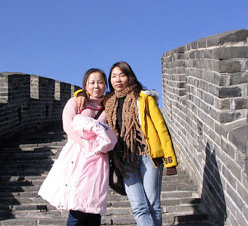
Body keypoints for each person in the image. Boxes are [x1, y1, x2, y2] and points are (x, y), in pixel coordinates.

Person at [74, 61, 178, 226]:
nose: (118, 79)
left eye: (122, 75)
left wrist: (170, 159)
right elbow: (92, 93)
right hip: (125, 160)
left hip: (148, 157)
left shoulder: (144, 98)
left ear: (130, 77)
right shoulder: (109, 100)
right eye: (114, 76)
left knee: (153, 206)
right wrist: (80, 94)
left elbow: (161, 128)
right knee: (139, 207)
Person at [38, 68, 117, 226]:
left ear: (106, 85)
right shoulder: (75, 102)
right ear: (85, 85)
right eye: (92, 82)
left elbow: (112, 133)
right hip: (77, 157)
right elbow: (68, 127)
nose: (96, 86)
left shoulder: (110, 106)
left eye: (101, 82)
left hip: (98, 160)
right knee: (78, 210)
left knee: (94, 210)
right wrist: (88, 144)